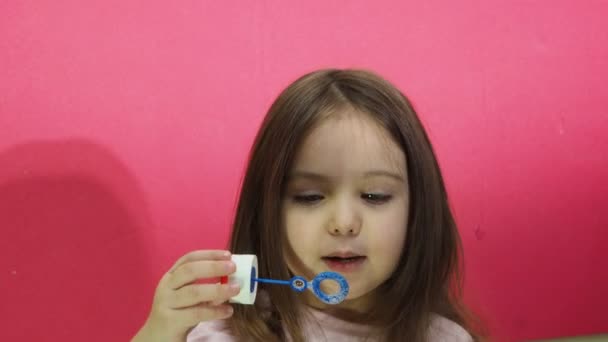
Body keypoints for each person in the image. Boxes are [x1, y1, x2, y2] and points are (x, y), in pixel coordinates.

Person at [132, 69, 480, 341]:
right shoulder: (222, 333)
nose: (344, 222)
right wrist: (157, 335)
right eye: (310, 197)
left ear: (419, 212)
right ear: (266, 212)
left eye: (375, 196)